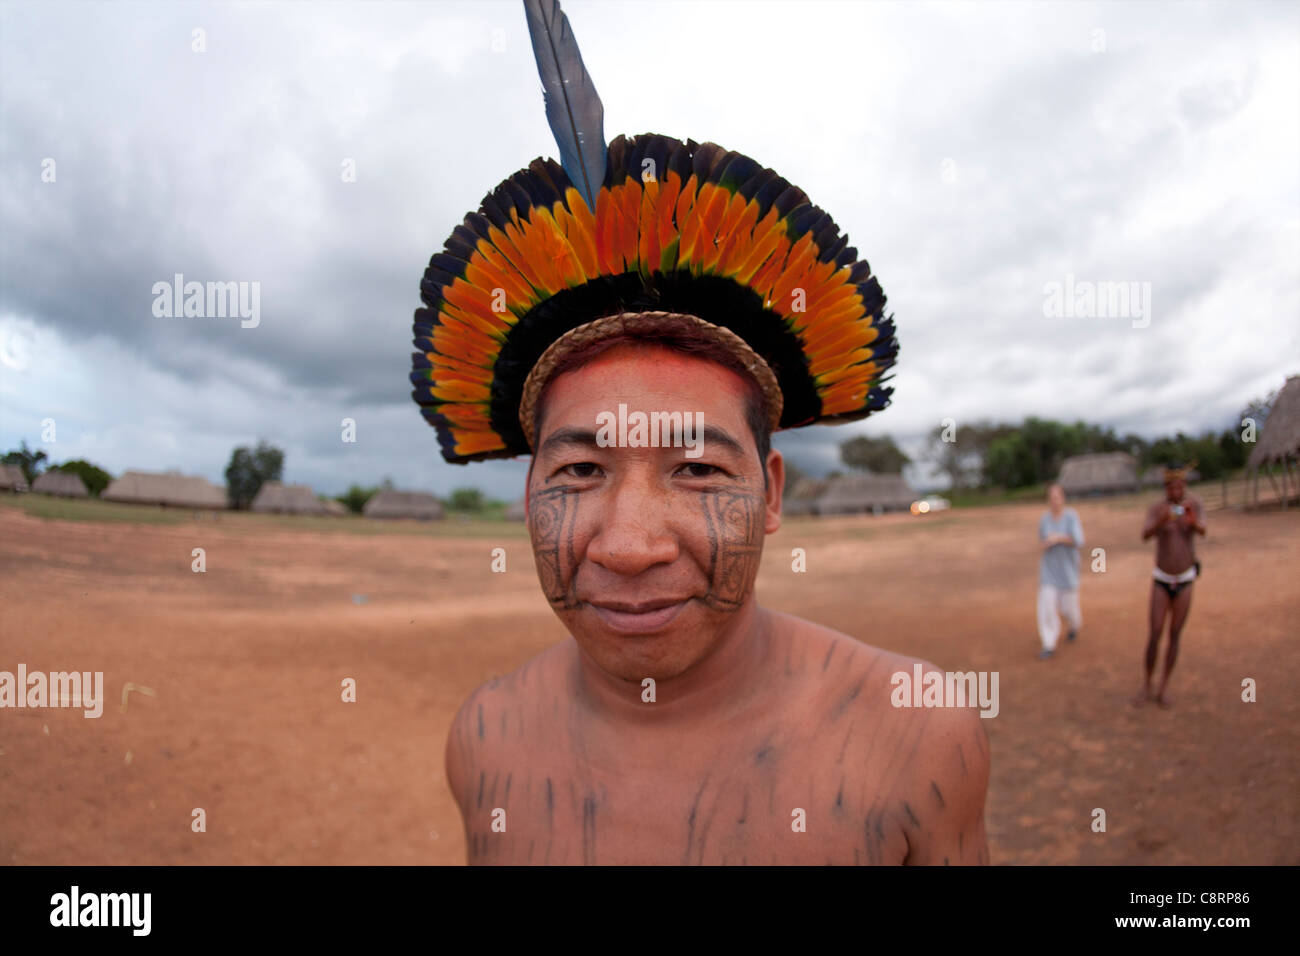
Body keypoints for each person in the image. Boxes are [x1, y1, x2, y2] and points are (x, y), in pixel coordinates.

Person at [409, 0, 990, 865]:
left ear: (772, 495)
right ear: (529, 493)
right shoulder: (485, 743)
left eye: (697, 468)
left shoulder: (915, 737)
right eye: (577, 471)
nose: (631, 545)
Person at [1135, 464, 1206, 708]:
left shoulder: (1193, 505)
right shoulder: (1157, 509)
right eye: (1172, 487)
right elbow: (1145, 535)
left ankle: (1164, 686)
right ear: (1166, 488)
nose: (1177, 491)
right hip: (1161, 579)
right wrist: (1162, 521)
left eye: (1181, 486)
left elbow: (1203, 530)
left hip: (1185, 579)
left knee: (1174, 634)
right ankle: (1147, 684)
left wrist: (1192, 521)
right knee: (1155, 633)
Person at [1036, 483, 1084, 660]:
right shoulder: (1044, 519)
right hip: (1049, 572)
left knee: (1068, 609)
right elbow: (1040, 542)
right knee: (1046, 607)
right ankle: (1048, 643)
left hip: (1068, 572)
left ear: (1062, 498)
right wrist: (1047, 543)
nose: (1054, 501)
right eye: (1051, 498)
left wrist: (1059, 538)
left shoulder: (1071, 517)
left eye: (1057, 497)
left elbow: (1079, 541)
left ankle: (1074, 625)